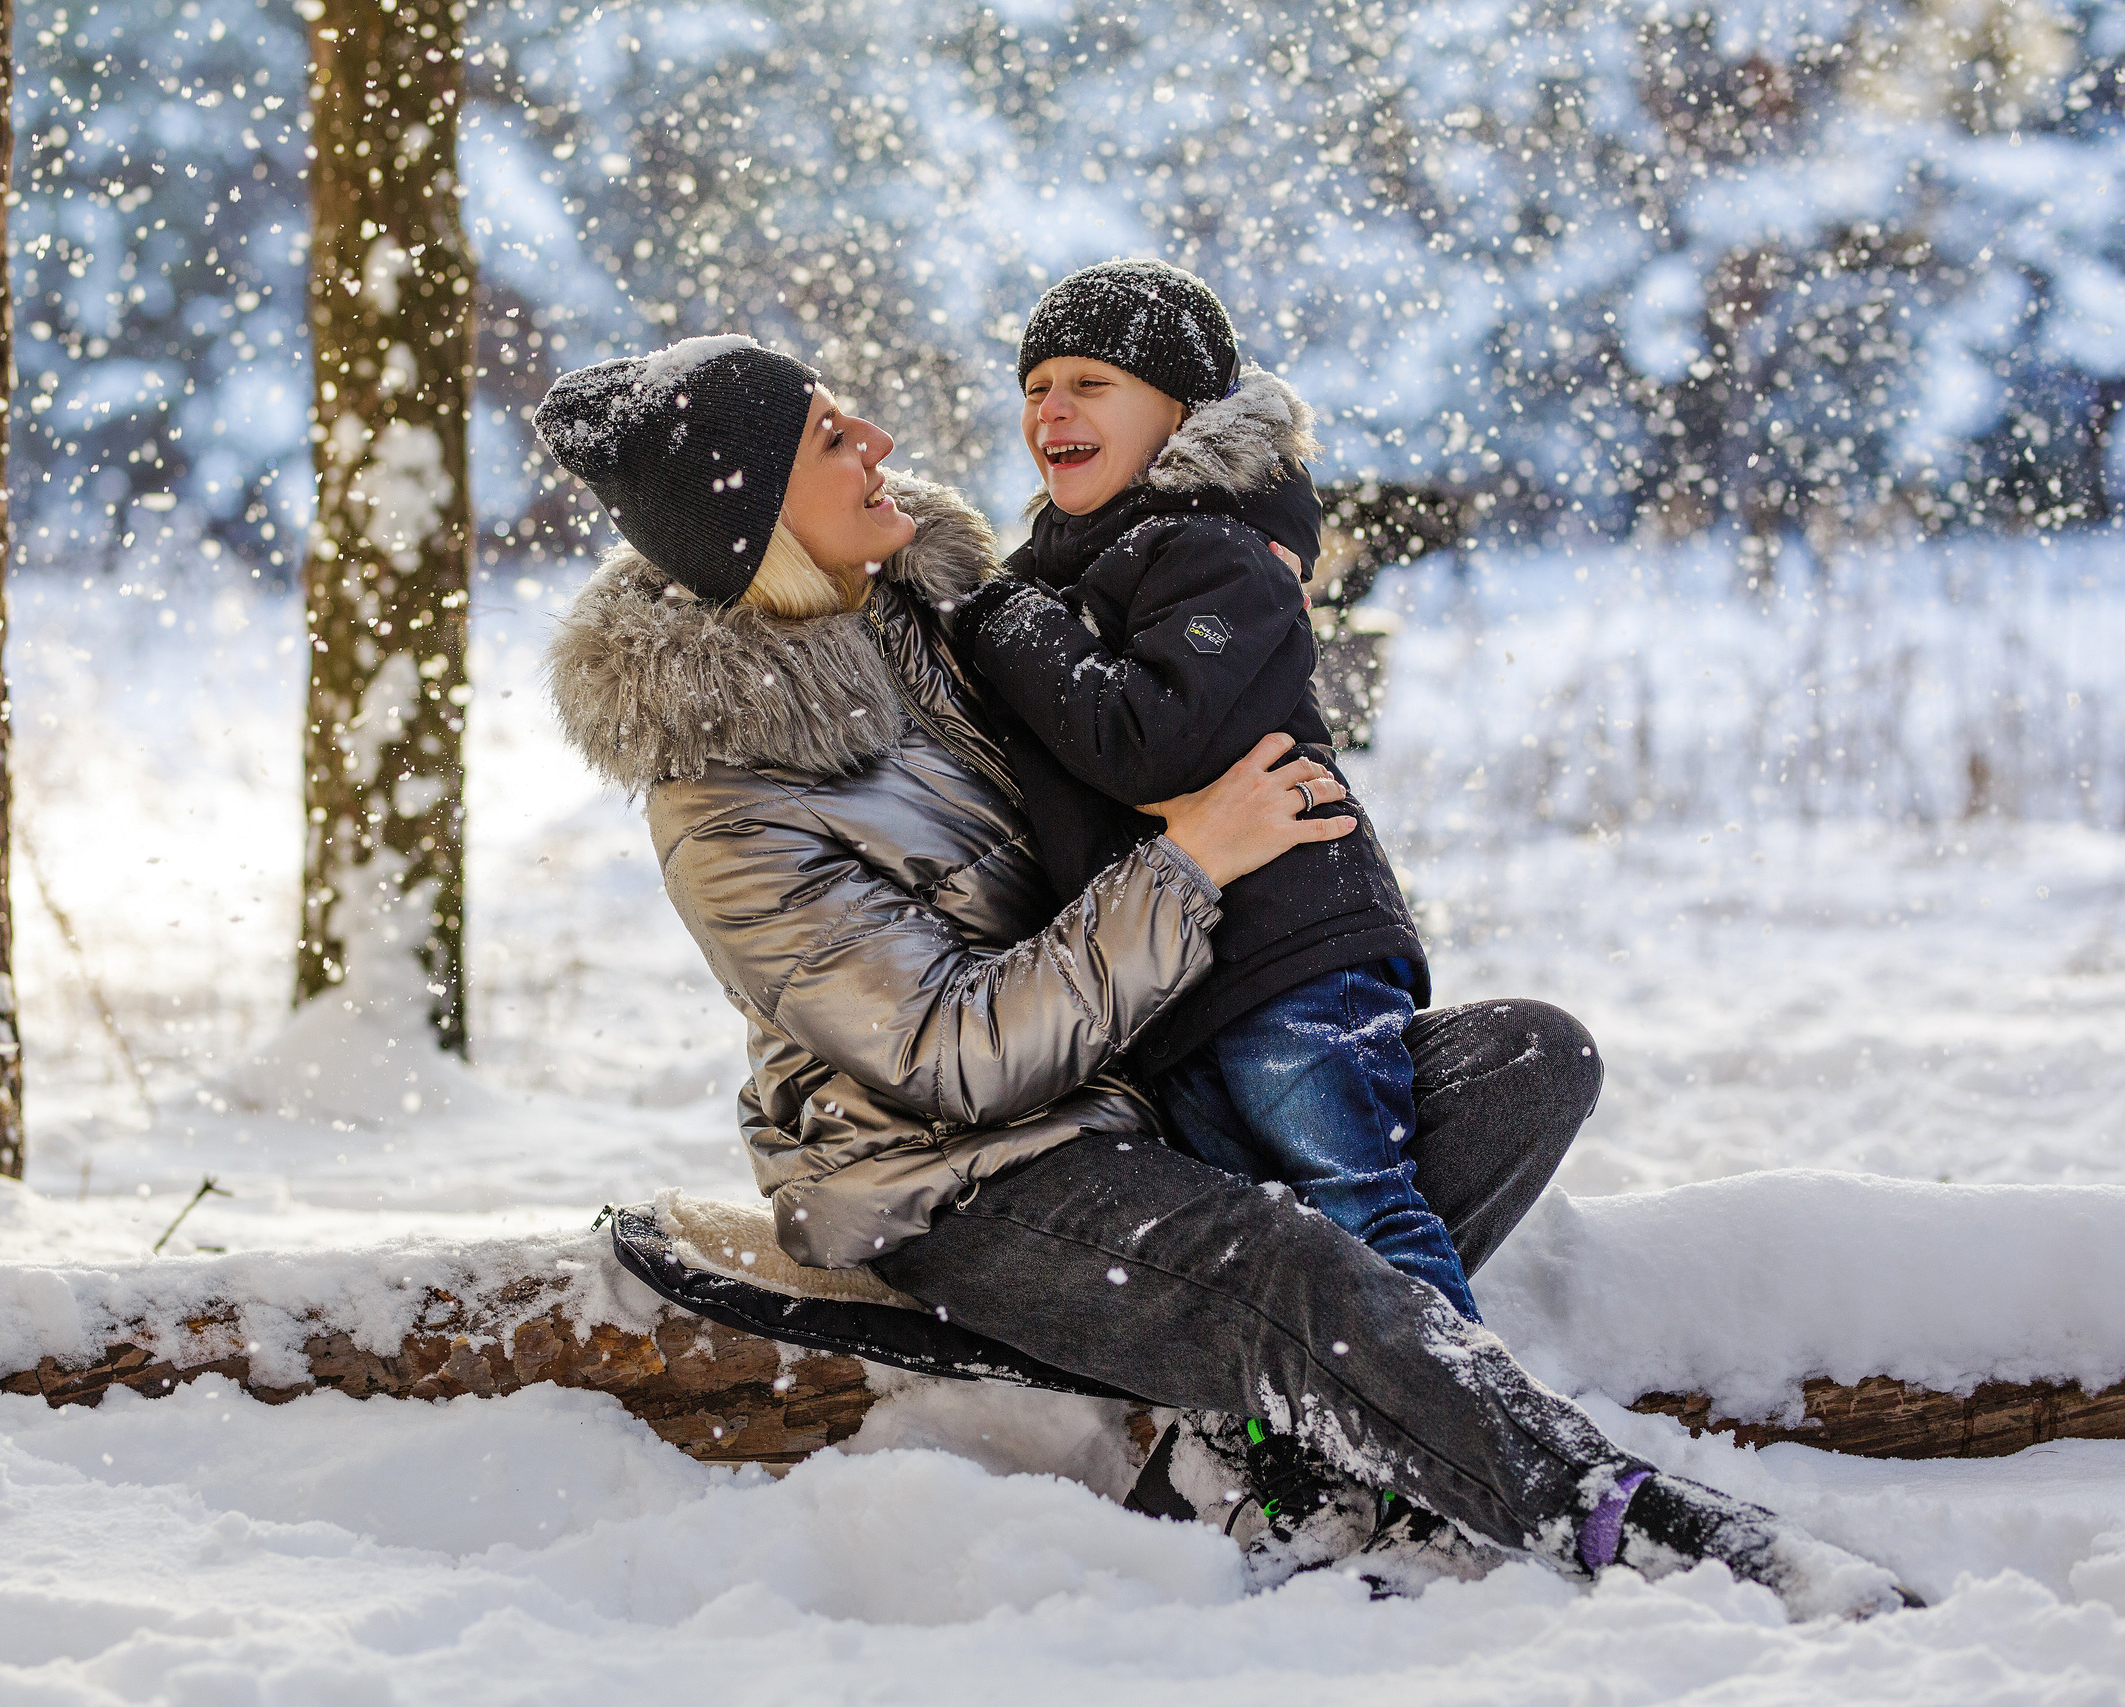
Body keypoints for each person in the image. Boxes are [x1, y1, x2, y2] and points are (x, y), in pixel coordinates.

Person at [536, 333, 1903, 1620]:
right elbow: (952, 1055)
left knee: (1525, 1060)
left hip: (1142, 1084)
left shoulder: (942, 615)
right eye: (834, 436)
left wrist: (1246, 600)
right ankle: (1629, 1521)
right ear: (760, 516)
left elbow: (1156, 643)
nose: (882, 437)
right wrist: (1187, 864)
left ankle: (1255, 1452)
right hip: (962, 1174)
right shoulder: (727, 806)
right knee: (1288, 1260)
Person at [952, 260, 1473, 1322]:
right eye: (1036, 384)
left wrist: (1004, 620)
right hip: (1182, 982)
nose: (1051, 407)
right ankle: (1300, 1469)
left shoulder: (1218, 553)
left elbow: (1146, 742)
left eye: (1091, 383)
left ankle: (1464, 1437)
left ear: (1180, 414)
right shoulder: (1066, 569)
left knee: (1359, 1210)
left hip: (1290, 960)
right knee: (1268, 1250)